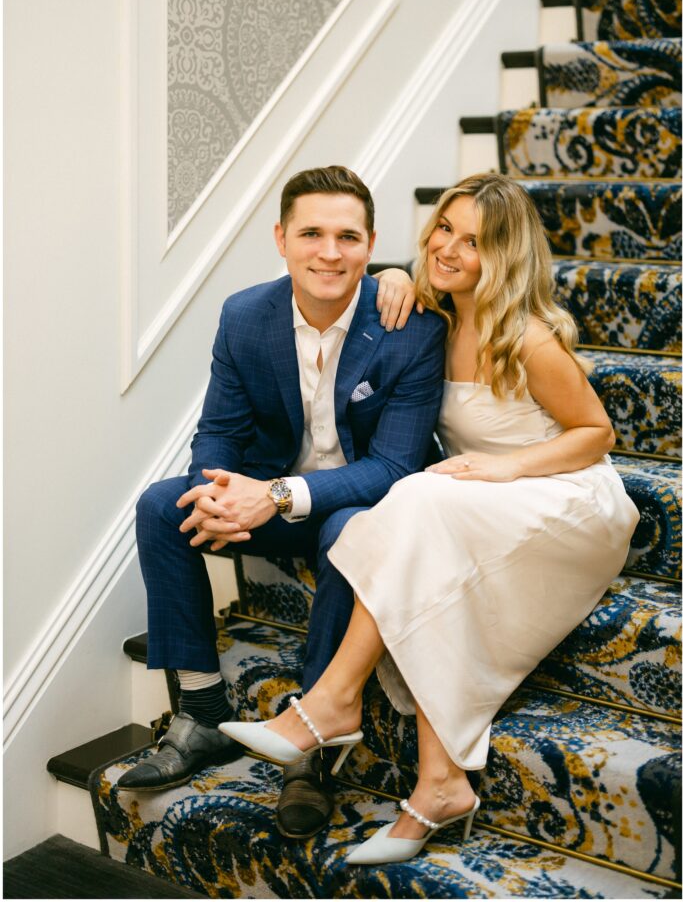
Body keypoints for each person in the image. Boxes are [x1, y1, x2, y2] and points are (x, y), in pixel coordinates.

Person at [220, 172, 640, 864]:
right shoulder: (428, 317)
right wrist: (390, 275)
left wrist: (503, 467)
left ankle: (331, 704)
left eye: (473, 242)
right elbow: (377, 290)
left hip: (566, 498)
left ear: (504, 256)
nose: (447, 246)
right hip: (474, 500)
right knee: (406, 535)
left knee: (412, 500)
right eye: (444, 227)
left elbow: (594, 433)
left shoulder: (526, 337)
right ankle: (439, 784)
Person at [118, 165, 446, 841]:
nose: (329, 252)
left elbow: (393, 466)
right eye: (312, 234)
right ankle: (203, 712)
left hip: (353, 505)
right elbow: (220, 429)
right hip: (268, 499)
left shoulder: (411, 328)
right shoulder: (245, 315)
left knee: (349, 531)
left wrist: (275, 496)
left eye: (348, 237)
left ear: (371, 243)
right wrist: (217, 493)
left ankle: (312, 751)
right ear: (280, 239)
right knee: (160, 505)